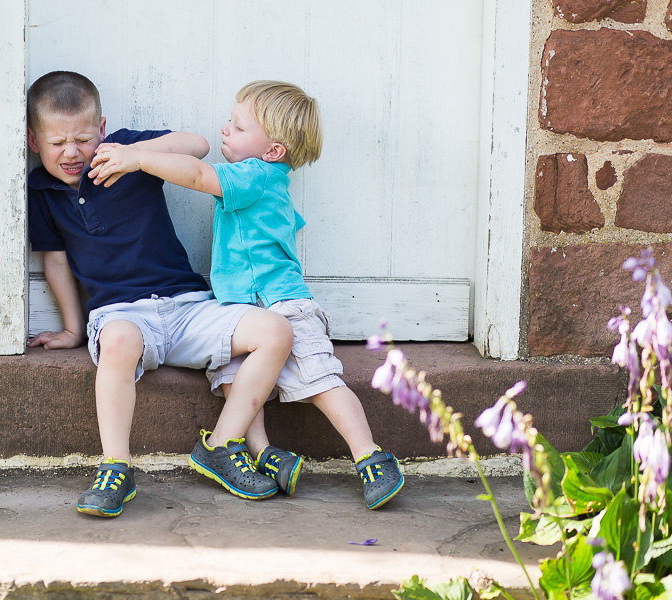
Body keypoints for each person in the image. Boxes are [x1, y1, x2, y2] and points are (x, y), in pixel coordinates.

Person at [89, 80, 404, 509]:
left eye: (238, 127)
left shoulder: (254, 176)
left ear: (273, 150)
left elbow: (199, 173)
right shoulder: (263, 179)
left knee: (320, 380)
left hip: (281, 303)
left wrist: (138, 158)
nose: (225, 130)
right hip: (242, 309)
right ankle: (263, 453)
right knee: (235, 382)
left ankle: (367, 453)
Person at [26, 71, 295, 518]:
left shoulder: (129, 149)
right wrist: (74, 329)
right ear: (34, 142)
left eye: (84, 139)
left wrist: (136, 157)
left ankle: (221, 446)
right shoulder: (42, 192)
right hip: (122, 315)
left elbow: (197, 145)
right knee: (117, 342)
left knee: (275, 330)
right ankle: (116, 467)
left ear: (103, 129)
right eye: (57, 143)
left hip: (188, 304)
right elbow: (55, 261)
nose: (72, 153)